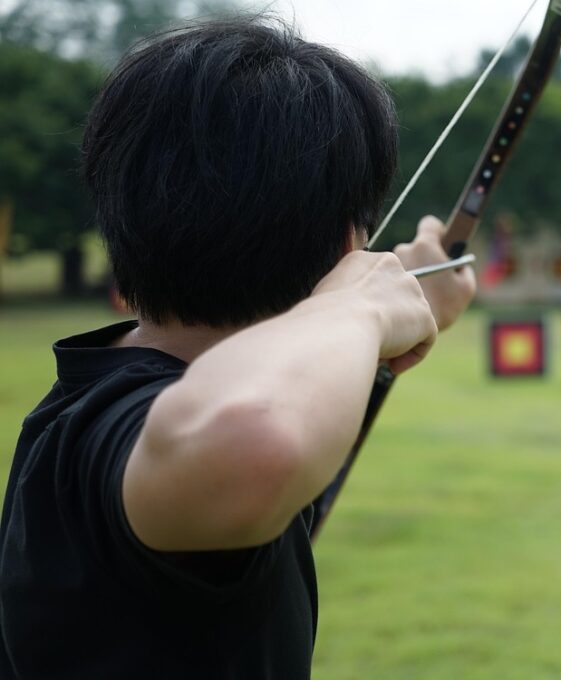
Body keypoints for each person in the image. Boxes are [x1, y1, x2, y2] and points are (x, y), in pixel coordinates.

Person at [0, 16, 476, 679]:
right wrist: (361, 307)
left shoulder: (94, 402)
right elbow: (256, 433)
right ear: (348, 246)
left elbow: (288, 408)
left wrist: (388, 319)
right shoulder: (125, 426)